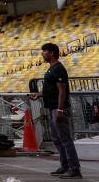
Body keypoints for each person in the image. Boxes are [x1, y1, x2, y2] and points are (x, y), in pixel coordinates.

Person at [31, 43, 81, 178]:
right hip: (53, 108)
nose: (42, 53)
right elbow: (51, 89)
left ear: (52, 53)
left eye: (44, 51)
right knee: (57, 140)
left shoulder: (58, 69)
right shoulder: (51, 69)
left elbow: (62, 91)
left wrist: (60, 110)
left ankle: (75, 169)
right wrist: (40, 94)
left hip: (58, 110)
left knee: (65, 140)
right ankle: (65, 166)